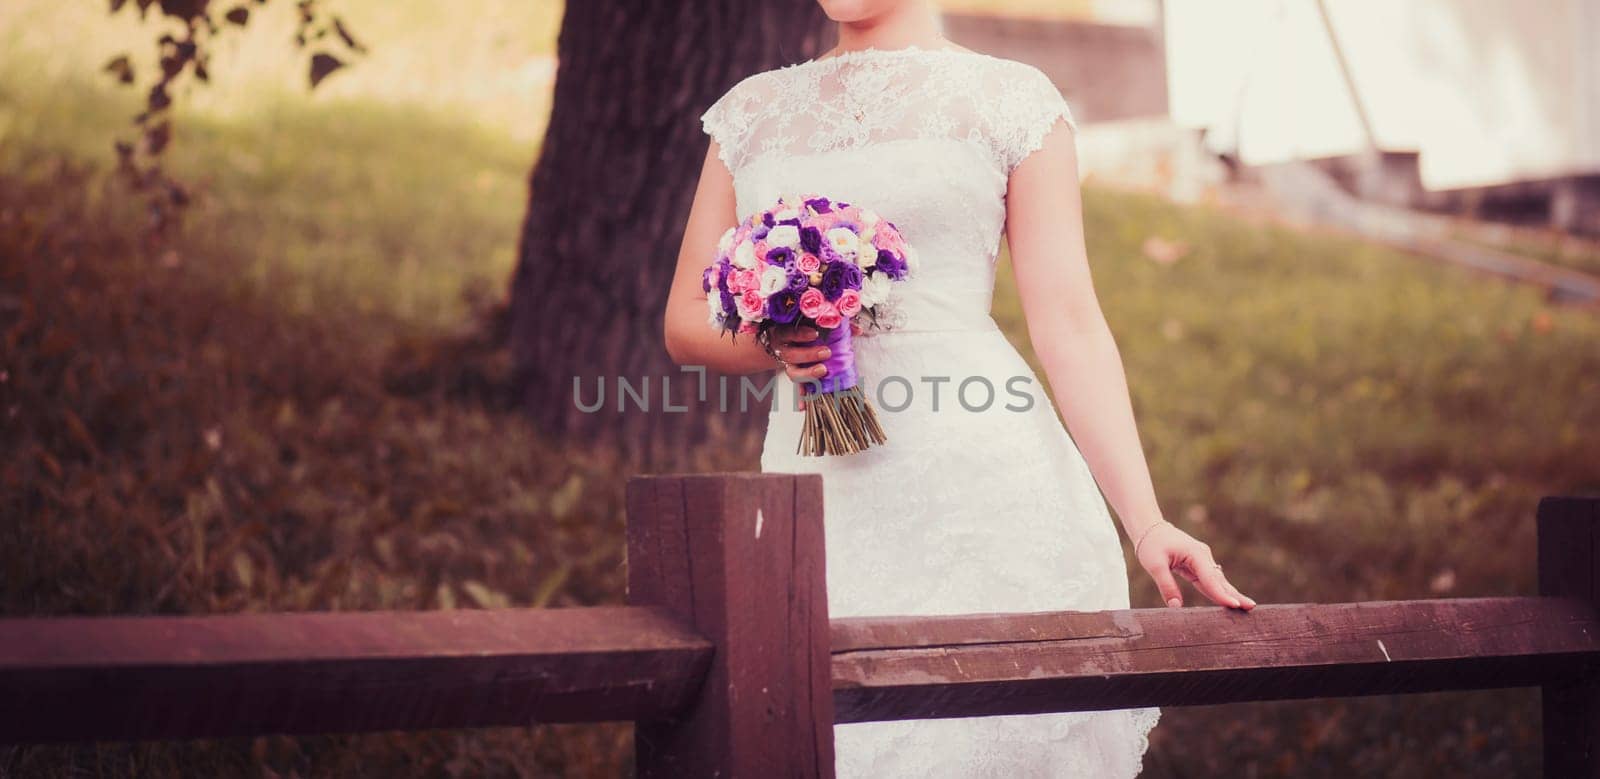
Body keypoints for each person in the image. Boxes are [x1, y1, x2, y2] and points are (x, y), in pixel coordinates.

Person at [663, 0, 1257, 775]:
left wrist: (1146, 522)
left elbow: (1069, 324)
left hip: (984, 488)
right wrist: (779, 338)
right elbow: (684, 320)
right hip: (823, 493)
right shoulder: (750, 114)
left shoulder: (1012, 99)